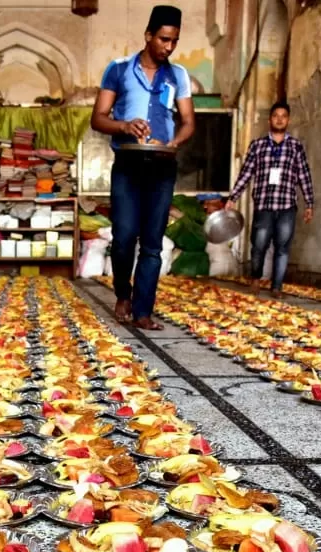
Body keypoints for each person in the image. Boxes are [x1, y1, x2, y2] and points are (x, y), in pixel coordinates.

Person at [91, 4, 195, 330]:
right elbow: (98, 118)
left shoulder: (178, 75)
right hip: (128, 164)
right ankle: (123, 292)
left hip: (162, 166)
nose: (169, 46)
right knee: (123, 237)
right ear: (148, 35)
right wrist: (124, 126)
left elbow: (189, 121)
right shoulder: (118, 70)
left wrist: (175, 142)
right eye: (164, 39)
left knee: (152, 242)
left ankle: (143, 311)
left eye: (174, 41)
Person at [226, 101, 314, 299]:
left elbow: (304, 175)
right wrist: (233, 197)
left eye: (284, 116)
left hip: (287, 207)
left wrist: (309, 203)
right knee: (259, 245)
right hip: (264, 205)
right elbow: (246, 173)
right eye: (276, 116)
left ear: (288, 120)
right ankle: (256, 280)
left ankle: (277, 287)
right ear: (270, 120)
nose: (280, 119)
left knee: (282, 248)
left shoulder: (295, 146)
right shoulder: (258, 145)